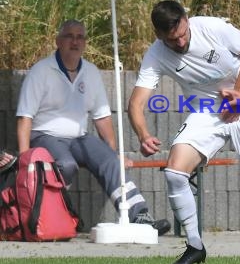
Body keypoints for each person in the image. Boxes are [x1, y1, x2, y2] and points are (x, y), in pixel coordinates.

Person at [127, 0, 240, 264]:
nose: (181, 41)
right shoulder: (156, 54)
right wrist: (144, 134)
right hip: (206, 110)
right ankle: (194, 245)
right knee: (175, 172)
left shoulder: (211, 27)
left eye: (183, 33)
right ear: (159, 36)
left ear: (187, 19)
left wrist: (238, 96)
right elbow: (136, 103)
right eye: (172, 40)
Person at [16, 20, 170, 236]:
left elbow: (102, 118)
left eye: (80, 37)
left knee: (111, 162)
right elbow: (25, 118)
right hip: (44, 135)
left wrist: (113, 153)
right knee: (66, 165)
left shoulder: (91, 72)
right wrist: (25, 160)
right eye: (69, 36)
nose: (75, 41)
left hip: (79, 137)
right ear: (58, 41)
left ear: (85, 43)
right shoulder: (41, 71)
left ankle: (140, 216)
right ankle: (59, 215)